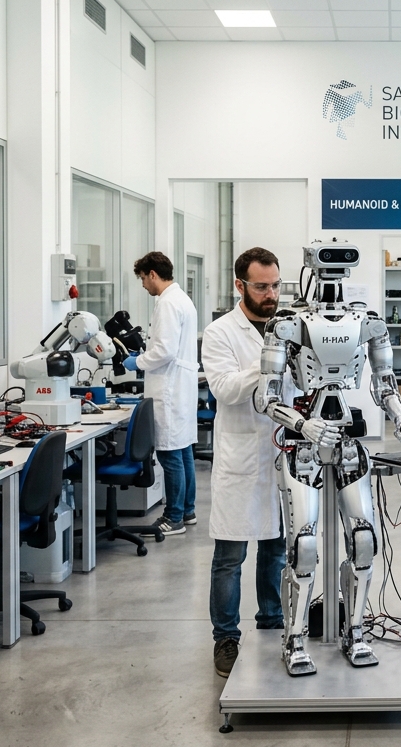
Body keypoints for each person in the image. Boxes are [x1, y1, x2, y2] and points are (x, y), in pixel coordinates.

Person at [200, 247, 290, 678]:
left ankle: (272, 624)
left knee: (277, 550)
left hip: (281, 456)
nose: (270, 293)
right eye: (261, 286)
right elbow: (225, 389)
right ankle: (226, 638)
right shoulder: (220, 333)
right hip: (240, 459)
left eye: (275, 285)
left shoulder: (290, 327)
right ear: (240, 285)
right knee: (229, 558)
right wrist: (270, 361)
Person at [124, 251, 200, 536]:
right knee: (183, 453)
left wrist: (138, 361)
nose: (143, 285)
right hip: (180, 387)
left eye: (143, 279)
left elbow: (164, 351)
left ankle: (173, 518)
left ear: (153, 274)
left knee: (170, 455)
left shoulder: (168, 303)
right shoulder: (182, 300)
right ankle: (188, 511)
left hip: (169, 388)